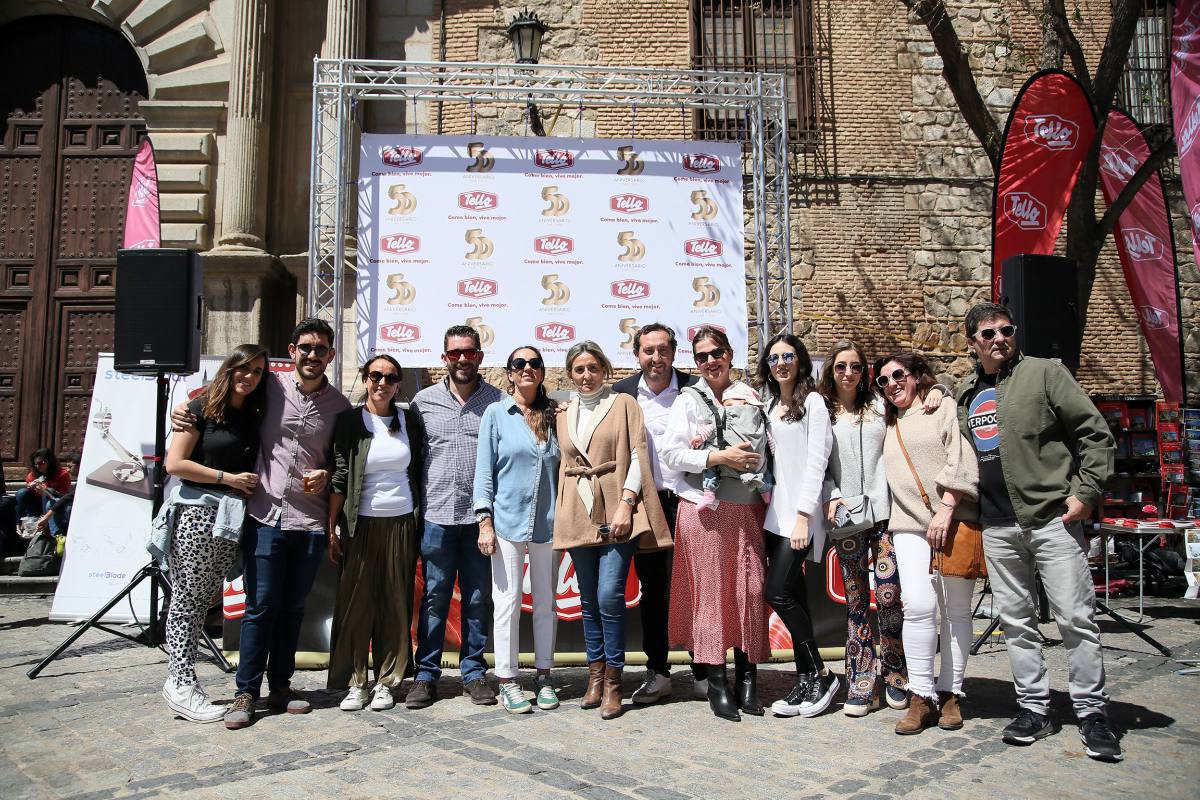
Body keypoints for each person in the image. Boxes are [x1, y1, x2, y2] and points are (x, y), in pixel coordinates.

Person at [955, 302, 1120, 762]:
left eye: (1006, 330)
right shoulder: (968, 394)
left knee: (1075, 618)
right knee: (1016, 624)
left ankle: (1092, 714)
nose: (999, 339)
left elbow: (1094, 433)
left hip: (1051, 519)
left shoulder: (1045, 373)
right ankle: (1034, 709)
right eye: (987, 334)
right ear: (972, 343)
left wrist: (1085, 492)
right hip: (998, 525)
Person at [175, 318, 351, 729]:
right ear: (291, 352)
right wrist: (180, 412)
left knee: (293, 608)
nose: (313, 354)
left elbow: (339, 460)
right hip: (264, 516)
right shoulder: (267, 387)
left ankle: (282, 686)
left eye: (321, 348)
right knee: (260, 607)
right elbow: (212, 400)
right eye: (305, 346)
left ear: (331, 355)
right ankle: (244, 693)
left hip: (308, 521)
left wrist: (325, 472)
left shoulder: (340, 406)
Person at [820, 340, 946, 716]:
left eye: (855, 367)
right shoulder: (822, 412)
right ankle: (860, 679)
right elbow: (814, 462)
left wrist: (937, 389)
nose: (848, 373)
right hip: (844, 520)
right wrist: (831, 494)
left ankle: (895, 673)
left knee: (890, 597)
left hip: (886, 517)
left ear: (864, 373)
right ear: (831, 371)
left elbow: (916, 397)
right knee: (857, 602)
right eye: (841, 366)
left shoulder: (880, 406)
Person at [554, 341, 671, 720]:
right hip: (578, 509)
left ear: (605, 369)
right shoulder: (564, 413)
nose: (586, 376)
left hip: (618, 508)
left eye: (592, 368)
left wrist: (626, 502)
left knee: (609, 595)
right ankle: (596, 677)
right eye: (578, 370)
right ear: (570, 374)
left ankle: (616, 682)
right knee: (588, 600)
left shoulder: (624, 404)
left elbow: (638, 455)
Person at [661, 326, 770, 722]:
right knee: (711, 597)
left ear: (730, 353)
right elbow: (671, 456)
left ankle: (748, 678)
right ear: (696, 362)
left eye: (717, 353)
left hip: (748, 508)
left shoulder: (752, 396)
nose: (711, 361)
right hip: (703, 510)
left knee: (749, 590)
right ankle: (717, 683)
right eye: (703, 356)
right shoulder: (687, 401)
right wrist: (718, 457)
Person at [156, 344, 268, 722]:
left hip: (229, 518)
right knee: (187, 600)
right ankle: (180, 683)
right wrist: (228, 478)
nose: (249, 377)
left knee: (202, 600)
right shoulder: (200, 408)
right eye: (243, 368)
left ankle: (183, 681)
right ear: (229, 368)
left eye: (257, 371)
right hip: (196, 514)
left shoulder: (251, 413)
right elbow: (175, 463)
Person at [879, 352, 979, 736]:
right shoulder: (887, 419)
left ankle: (950, 691)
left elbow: (962, 458)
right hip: (907, 524)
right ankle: (921, 695)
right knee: (918, 605)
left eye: (899, 375)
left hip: (953, 519)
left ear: (917, 376)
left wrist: (947, 508)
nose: (892, 384)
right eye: (884, 380)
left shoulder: (943, 408)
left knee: (956, 609)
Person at [408, 325, 502, 709]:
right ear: (444, 357)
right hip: (436, 516)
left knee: (479, 599)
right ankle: (426, 675)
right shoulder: (422, 402)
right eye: (455, 353)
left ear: (479, 356)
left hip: (480, 520)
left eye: (469, 352)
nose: (462, 359)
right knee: (434, 598)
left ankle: (474, 672)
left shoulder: (498, 402)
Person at [327, 354, 425, 712]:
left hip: (401, 522)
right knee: (357, 602)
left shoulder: (409, 420)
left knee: (394, 602)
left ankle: (387, 681)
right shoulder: (350, 422)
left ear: (398, 383)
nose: (382, 383)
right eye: (375, 376)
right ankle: (356, 682)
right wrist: (332, 530)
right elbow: (339, 476)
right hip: (359, 523)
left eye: (389, 377)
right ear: (365, 380)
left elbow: (419, 469)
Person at [612, 323, 702, 704]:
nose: (656, 358)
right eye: (648, 351)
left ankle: (704, 669)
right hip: (647, 506)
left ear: (674, 352)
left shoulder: (696, 389)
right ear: (637, 355)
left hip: (693, 502)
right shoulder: (623, 394)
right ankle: (658, 671)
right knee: (653, 592)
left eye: (663, 350)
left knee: (699, 589)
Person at [474, 346, 560, 714]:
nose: (527, 369)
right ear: (509, 373)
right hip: (506, 522)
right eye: (519, 364)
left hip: (549, 523)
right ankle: (508, 680)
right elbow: (484, 472)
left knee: (546, 605)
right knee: (506, 604)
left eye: (534, 364)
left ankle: (544, 675)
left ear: (542, 372)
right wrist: (484, 521)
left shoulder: (556, 414)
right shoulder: (495, 414)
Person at [756, 333, 835, 718]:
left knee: (778, 592)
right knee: (795, 595)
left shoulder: (815, 403)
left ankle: (820, 671)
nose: (781, 363)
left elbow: (817, 462)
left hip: (801, 517)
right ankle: (805, 679)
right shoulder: (770, 405)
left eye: (788, 356)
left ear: (800, 361)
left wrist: (805, 515)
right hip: (776, 516)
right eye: (774, 358)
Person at [688, 382, 773, 511]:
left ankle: (709, 491)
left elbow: (711, 427)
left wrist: (700, 437)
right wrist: (773, 449)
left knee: (711, 461)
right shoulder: (760, 417)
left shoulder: (728, 414)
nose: (725, 408)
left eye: (729, 405)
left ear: (745, 403)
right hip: (756, 460)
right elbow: (767, 435)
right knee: (763, 469)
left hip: (732, 460)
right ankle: (765, 491)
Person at [16, 449, 73, 537]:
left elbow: (63, 497)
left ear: (50, 462)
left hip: (53, 506)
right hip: (36, 506)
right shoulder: (33, 475)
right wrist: (31, 487)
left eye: (41, 463)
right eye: (35, 464)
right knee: (21, 492)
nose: (37, 466)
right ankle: (19, 524)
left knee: (49, 502)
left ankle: (54, 535)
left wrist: (46, 491)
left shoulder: (62, 474)